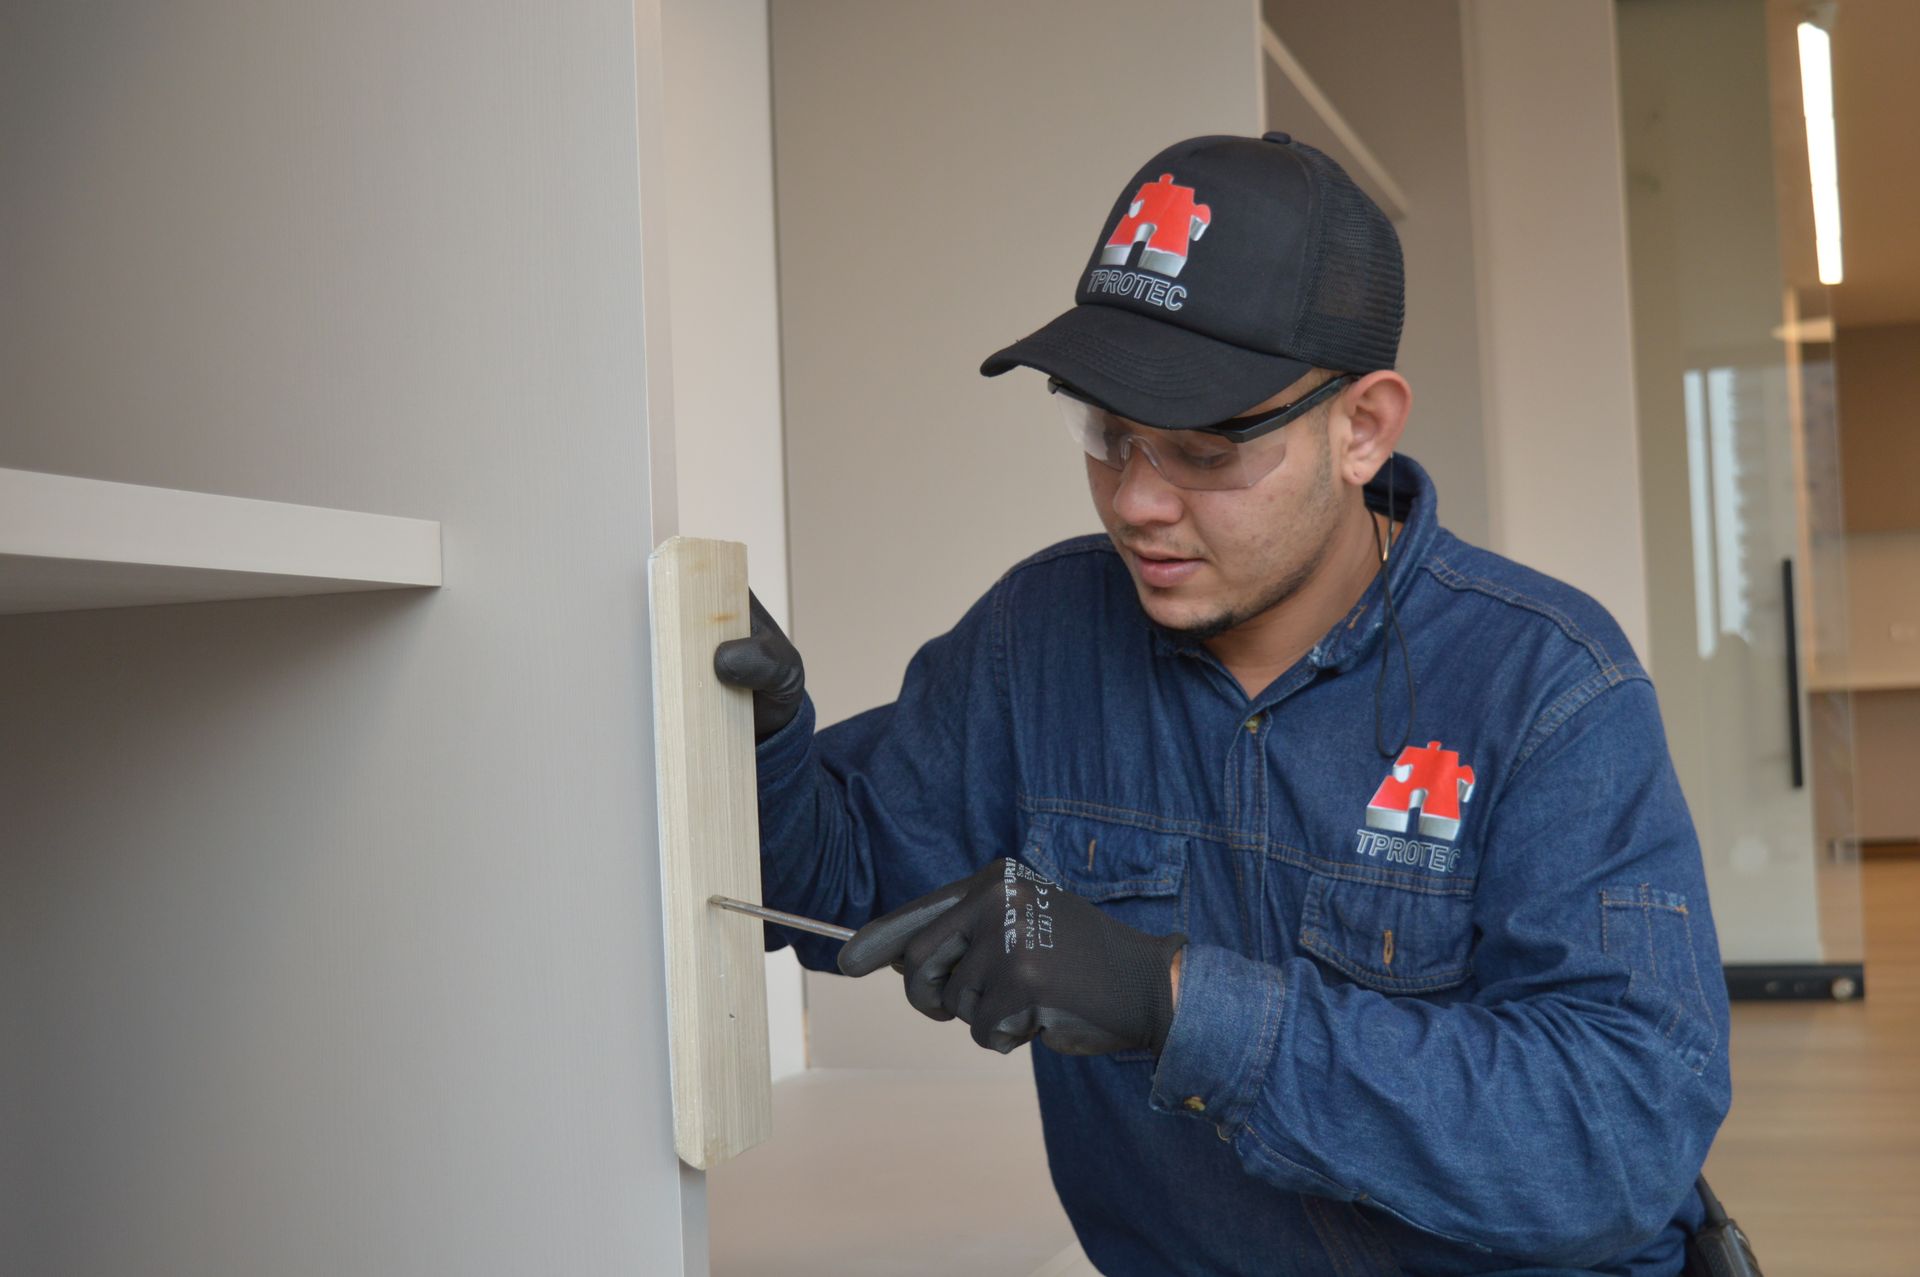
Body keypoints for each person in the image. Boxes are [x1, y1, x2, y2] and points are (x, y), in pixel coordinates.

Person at [714, 132, 1731, 1276]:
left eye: (1203, 449)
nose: (1138, 500)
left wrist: (1174, 999)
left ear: (1362, 428)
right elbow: (844, 880)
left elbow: (1613, 1140)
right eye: (1104, 431)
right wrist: (754, 746)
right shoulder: (1037, 642)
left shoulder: (1547, 687)